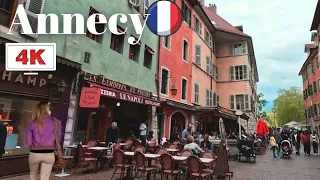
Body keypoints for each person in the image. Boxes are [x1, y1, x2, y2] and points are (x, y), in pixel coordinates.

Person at [25, 101, 62, 180]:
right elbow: (58, 139)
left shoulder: (32, 124)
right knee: (45, 177)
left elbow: (28, 143)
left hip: (34, 154)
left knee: (33, 175)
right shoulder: (56, 123)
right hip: (49, 154)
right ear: (48, 110)